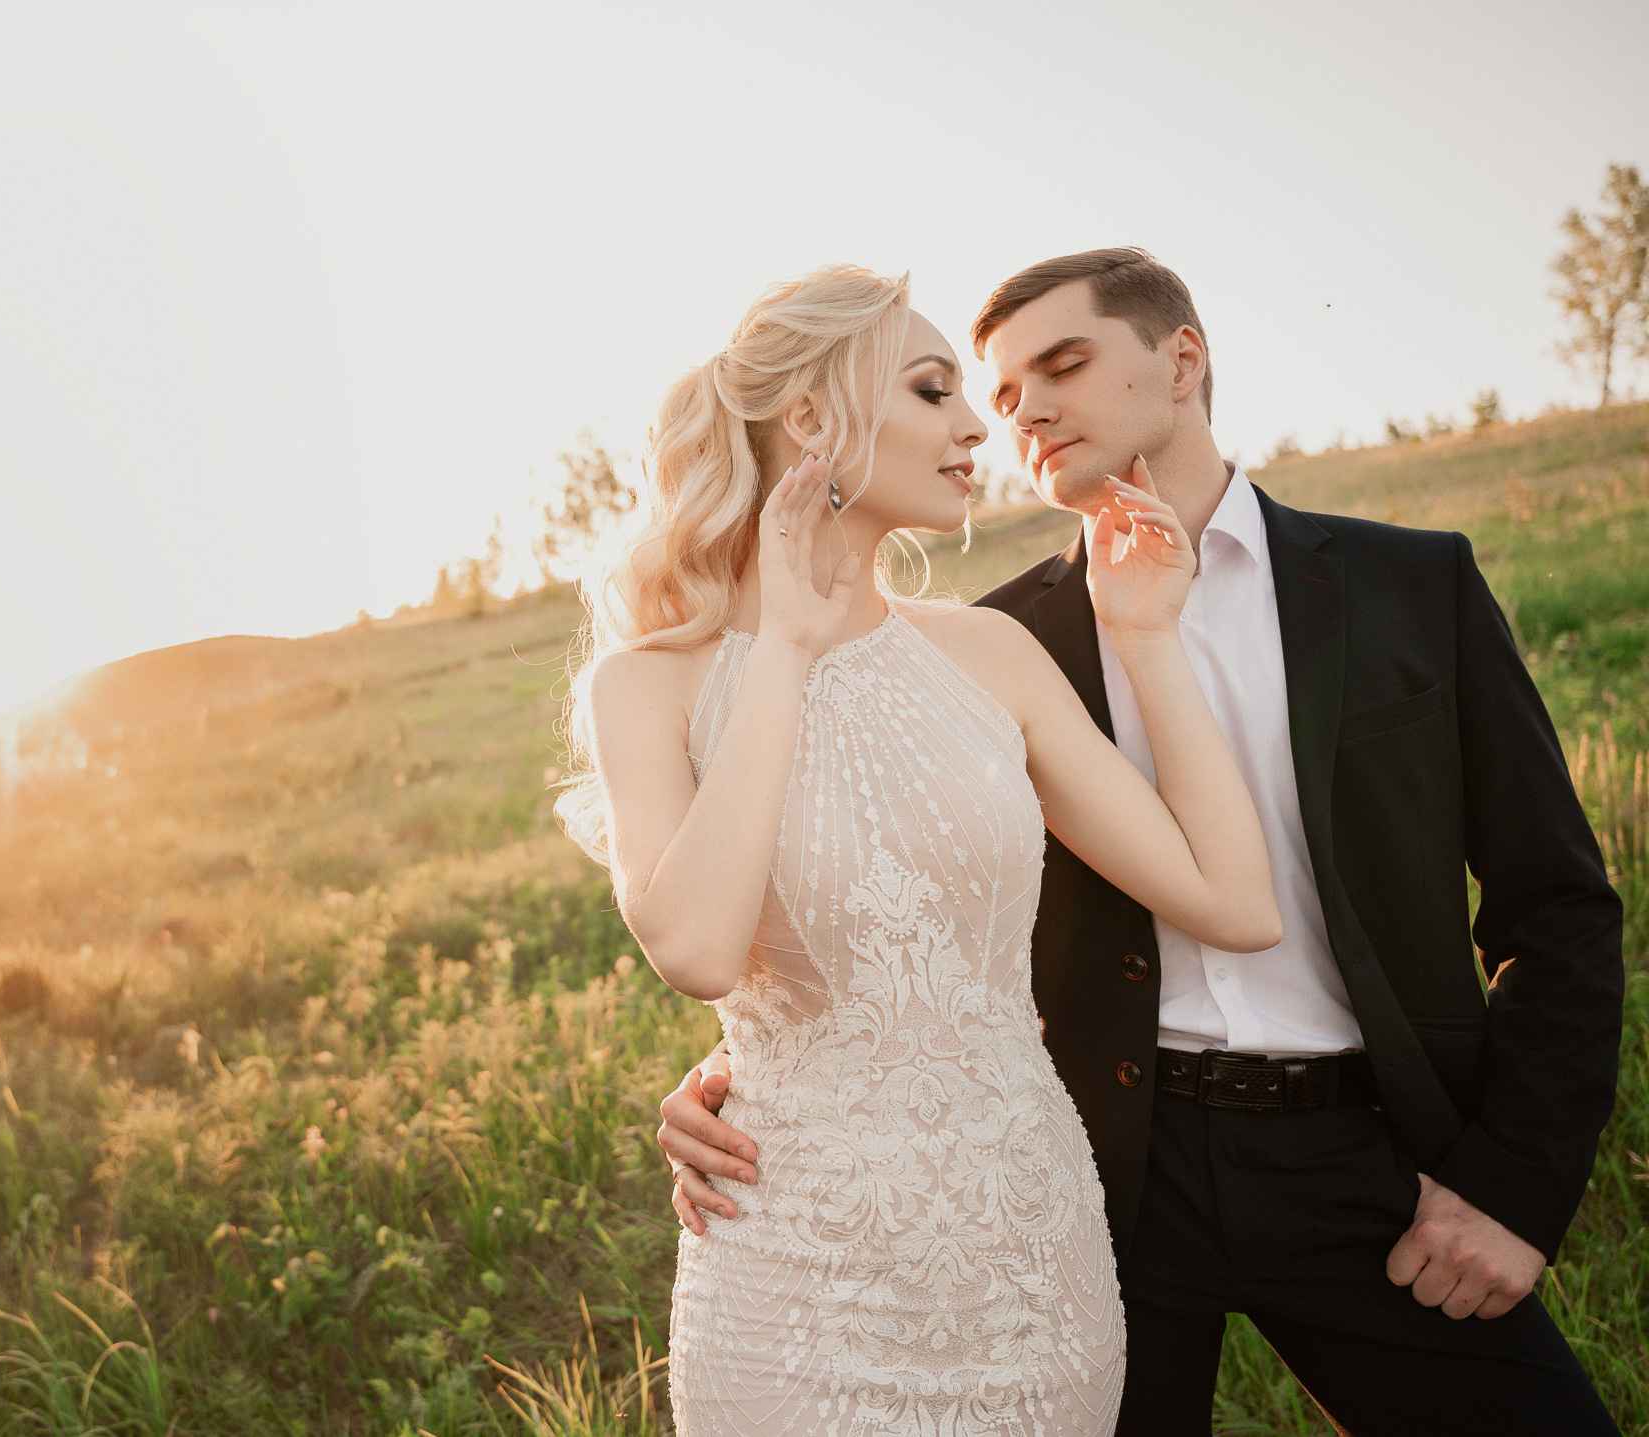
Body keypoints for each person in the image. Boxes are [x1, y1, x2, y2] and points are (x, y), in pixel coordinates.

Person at [657, 249, 1626, 1435]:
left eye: (1060, 366)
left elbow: (1557, 908)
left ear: (1181, 359)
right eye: (998, 395)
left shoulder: (1409, 585)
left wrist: (1513, 1186)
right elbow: (863, 902)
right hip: (1104, 1171)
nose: (1020, 415)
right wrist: (751, 1071)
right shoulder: (988, 639)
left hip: (1362, 1155)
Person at [562, 264, 1284, 1436]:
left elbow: (1235, 901)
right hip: (796, 1263)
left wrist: (1146, 633)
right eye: (936, 389)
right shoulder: (644, 688)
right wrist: (785, 648)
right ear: (810, 421)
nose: (976, 426)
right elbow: (695, 948)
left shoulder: (990, 655)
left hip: (1030, 1260)